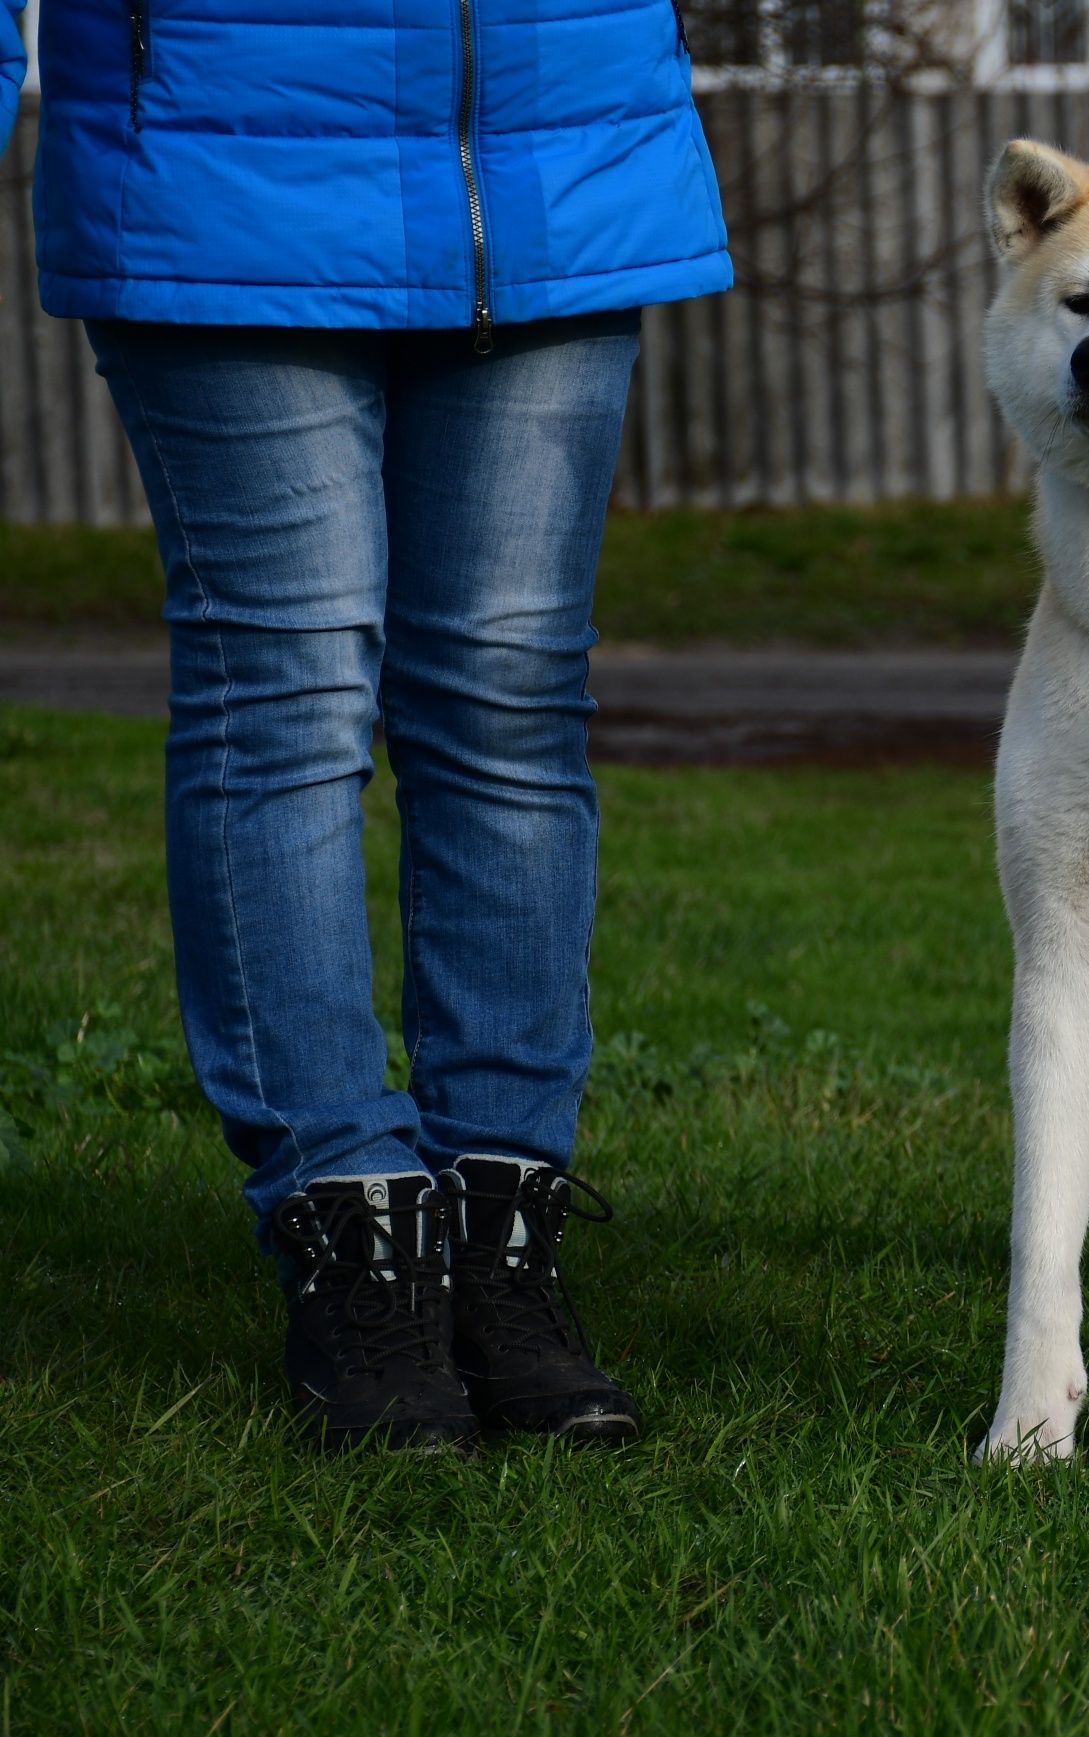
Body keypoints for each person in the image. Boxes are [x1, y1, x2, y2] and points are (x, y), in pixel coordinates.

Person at [0, 0, 729, 1449]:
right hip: (221, 147)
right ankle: (350, 1238)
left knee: (510, 706)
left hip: (553, 150)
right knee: (288, 696)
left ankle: (496, 1241)